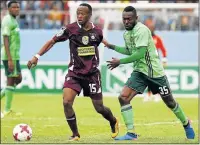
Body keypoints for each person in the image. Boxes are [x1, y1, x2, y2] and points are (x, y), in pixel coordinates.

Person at [27, 3, 118, 141]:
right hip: (74, 73)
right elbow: (52, 41)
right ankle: (75, 134)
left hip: (92, 75)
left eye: (83, 13)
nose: (80, 16)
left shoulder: (98, 31)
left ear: (89, 15)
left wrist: (110, 47)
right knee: (66, 102)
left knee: (99, 108)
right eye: (78, 13)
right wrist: (37, 56)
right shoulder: (70, 29)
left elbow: (98, 42)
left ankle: (113, 121)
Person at [103, 6, 195, 140]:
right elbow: (130, 51)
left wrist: (120, 62)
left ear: (136, 18)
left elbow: (140, 54)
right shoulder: (126, 33)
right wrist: (111, 46)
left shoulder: (142, 30)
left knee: (170, 102)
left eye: (129, 19)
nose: (126, 21)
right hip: (140, 72)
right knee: (123, 97)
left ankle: (186, 124)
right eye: (124, 19)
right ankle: (131, 133)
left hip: (155, 73)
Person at [1, 0, 22, 118]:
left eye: (18, 7)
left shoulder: (14, 20)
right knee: (10, 80)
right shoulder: (7, 20)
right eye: (14, 7)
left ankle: (7, 107)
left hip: (15, 56)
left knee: (18, 79)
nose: (16, 9)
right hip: (10, 56)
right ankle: (7, 110)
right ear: (9, 9)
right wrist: (9, 59)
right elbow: (5, 39)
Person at [144, 20, 168, 102]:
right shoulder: (144, 39)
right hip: (146, 61)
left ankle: (157, 95)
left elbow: (163, 50)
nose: (150, 29)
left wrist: (164, 60)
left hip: (156, 62)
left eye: (151, 27)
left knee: (157, 79)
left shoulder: (157, 38)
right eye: (148, 27)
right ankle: (149, 95)